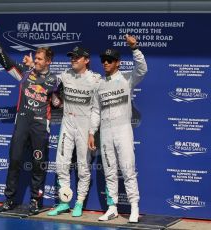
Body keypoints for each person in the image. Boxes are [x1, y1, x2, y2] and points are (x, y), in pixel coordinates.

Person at [0, 26, 59, 215]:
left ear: (49, 61)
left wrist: (58, 100)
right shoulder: (25, 74)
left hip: (41, 126)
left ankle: (36, 201)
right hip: (22, 123)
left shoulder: (55, 81)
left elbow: (59, 103)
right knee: (15, 160)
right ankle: (9, 200)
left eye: (40, 59)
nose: (36, 60)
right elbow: (6, 63)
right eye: (35, 58)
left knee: (38, 164)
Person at [88, 34, 148, 223]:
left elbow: (143, 69)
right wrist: (91, 132)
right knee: (110, 172)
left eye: (110, 60)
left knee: (128, 169)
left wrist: (135, 48)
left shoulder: (126, 79)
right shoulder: (99, 85)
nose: (105, 63)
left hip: (123, 131)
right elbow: (96, 111)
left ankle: (134, 207)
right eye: (103, 60)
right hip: (105, 133)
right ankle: (112, 208)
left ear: (118, 63)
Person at [47, 46, 101, 217]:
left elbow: (97, 110)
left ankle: (78, 203)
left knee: (83, 168)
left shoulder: (95, 80)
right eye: (72, 57)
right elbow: (49, 84)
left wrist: (92, 132)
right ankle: (64, 202)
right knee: (61, 164)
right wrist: (56, 100)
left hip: (85, 126)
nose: (73, 59)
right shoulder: (65, 75)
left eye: (77, 57)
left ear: (86, 60)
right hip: (67, 123)